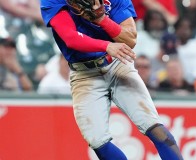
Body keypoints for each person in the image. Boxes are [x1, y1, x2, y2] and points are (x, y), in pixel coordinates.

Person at [40, 0, 183, 159]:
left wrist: (102, 19)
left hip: (117, 64)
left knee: (154, 126)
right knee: (98, 142)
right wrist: (106, 45)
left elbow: (130, 39)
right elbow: (71, 38)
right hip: (84, 74)